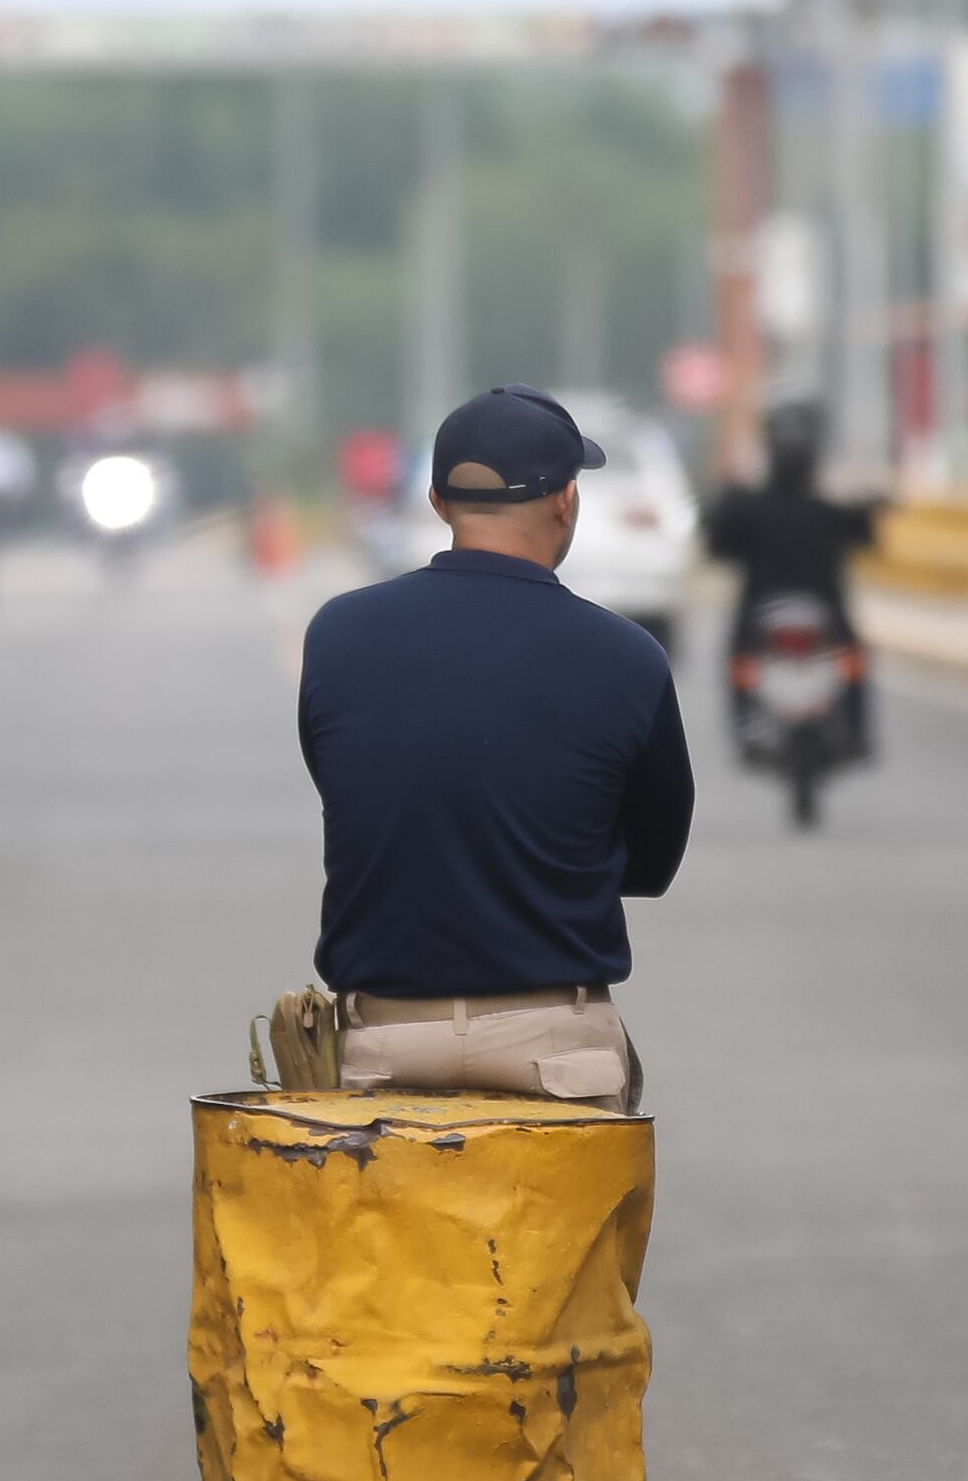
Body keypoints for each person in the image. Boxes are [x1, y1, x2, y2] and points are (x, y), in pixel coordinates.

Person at [294, 386, 693, 1105]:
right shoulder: (629, 657)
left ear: (439, 502)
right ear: (567, 499)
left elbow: (355, 792)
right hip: (558, 1052)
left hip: (383, 1046)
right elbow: (654, 860)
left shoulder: (337, 636)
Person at [701, 399, 880, 755]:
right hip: (824, 607)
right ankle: (857, 727)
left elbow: (718, 548)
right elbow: (867, 539)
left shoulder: (748, 505)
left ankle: (744, 718)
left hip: (761, 608)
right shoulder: (831, 506)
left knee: (740, 654)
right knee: (853, 656)